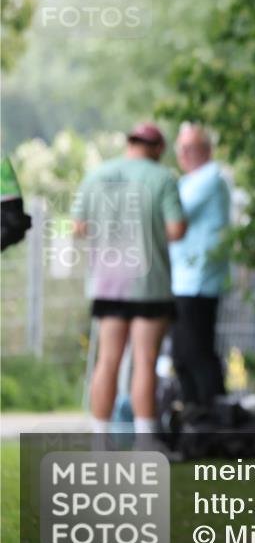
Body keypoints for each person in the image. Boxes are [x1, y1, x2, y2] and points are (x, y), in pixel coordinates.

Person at [72, 123, 186, 449]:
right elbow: (177, 229)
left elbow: (78, 226)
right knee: (144, 360)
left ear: (129, 143)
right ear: (157, 149)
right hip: (149, 283)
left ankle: (99, 441)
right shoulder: (161, 178)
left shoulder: (96, 176)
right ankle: (146, 441)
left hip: (108, 283)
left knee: (107, 360)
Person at [169, 123, 231, 416]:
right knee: (183, 354)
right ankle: (196, 414)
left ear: (206, 150)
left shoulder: (210, 179)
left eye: (190, 147)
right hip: (182, 280)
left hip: (198, 281)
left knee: (197, 352)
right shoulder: (189, 181)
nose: (183, 154)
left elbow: (172, 213)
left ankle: (213, 414)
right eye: (180, 147)